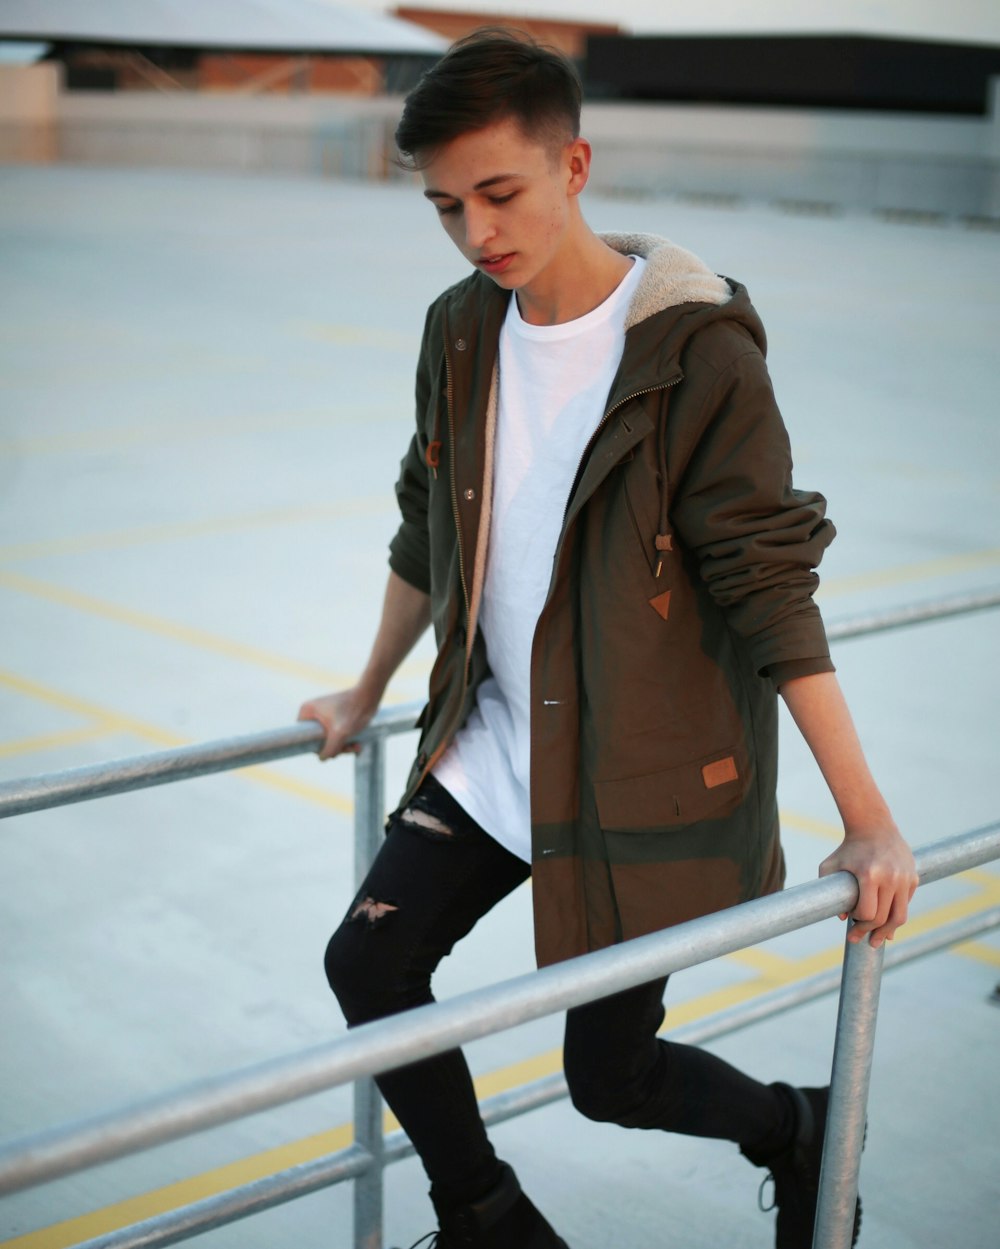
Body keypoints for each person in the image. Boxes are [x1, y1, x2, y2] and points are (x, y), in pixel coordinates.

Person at [298, 29, 918, 1249]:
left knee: (609, 1079)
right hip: (493, 747)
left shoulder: (695, 350)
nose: (477, 231)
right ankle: (486, 1220)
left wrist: (867, 815)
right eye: (443, 207)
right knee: (368, 966)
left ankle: (796, 1126)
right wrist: (366, 687)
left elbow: (765, 579)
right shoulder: (462, 328)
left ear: (574, 165)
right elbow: (429, 518)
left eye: (499, 193)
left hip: (629, 769)